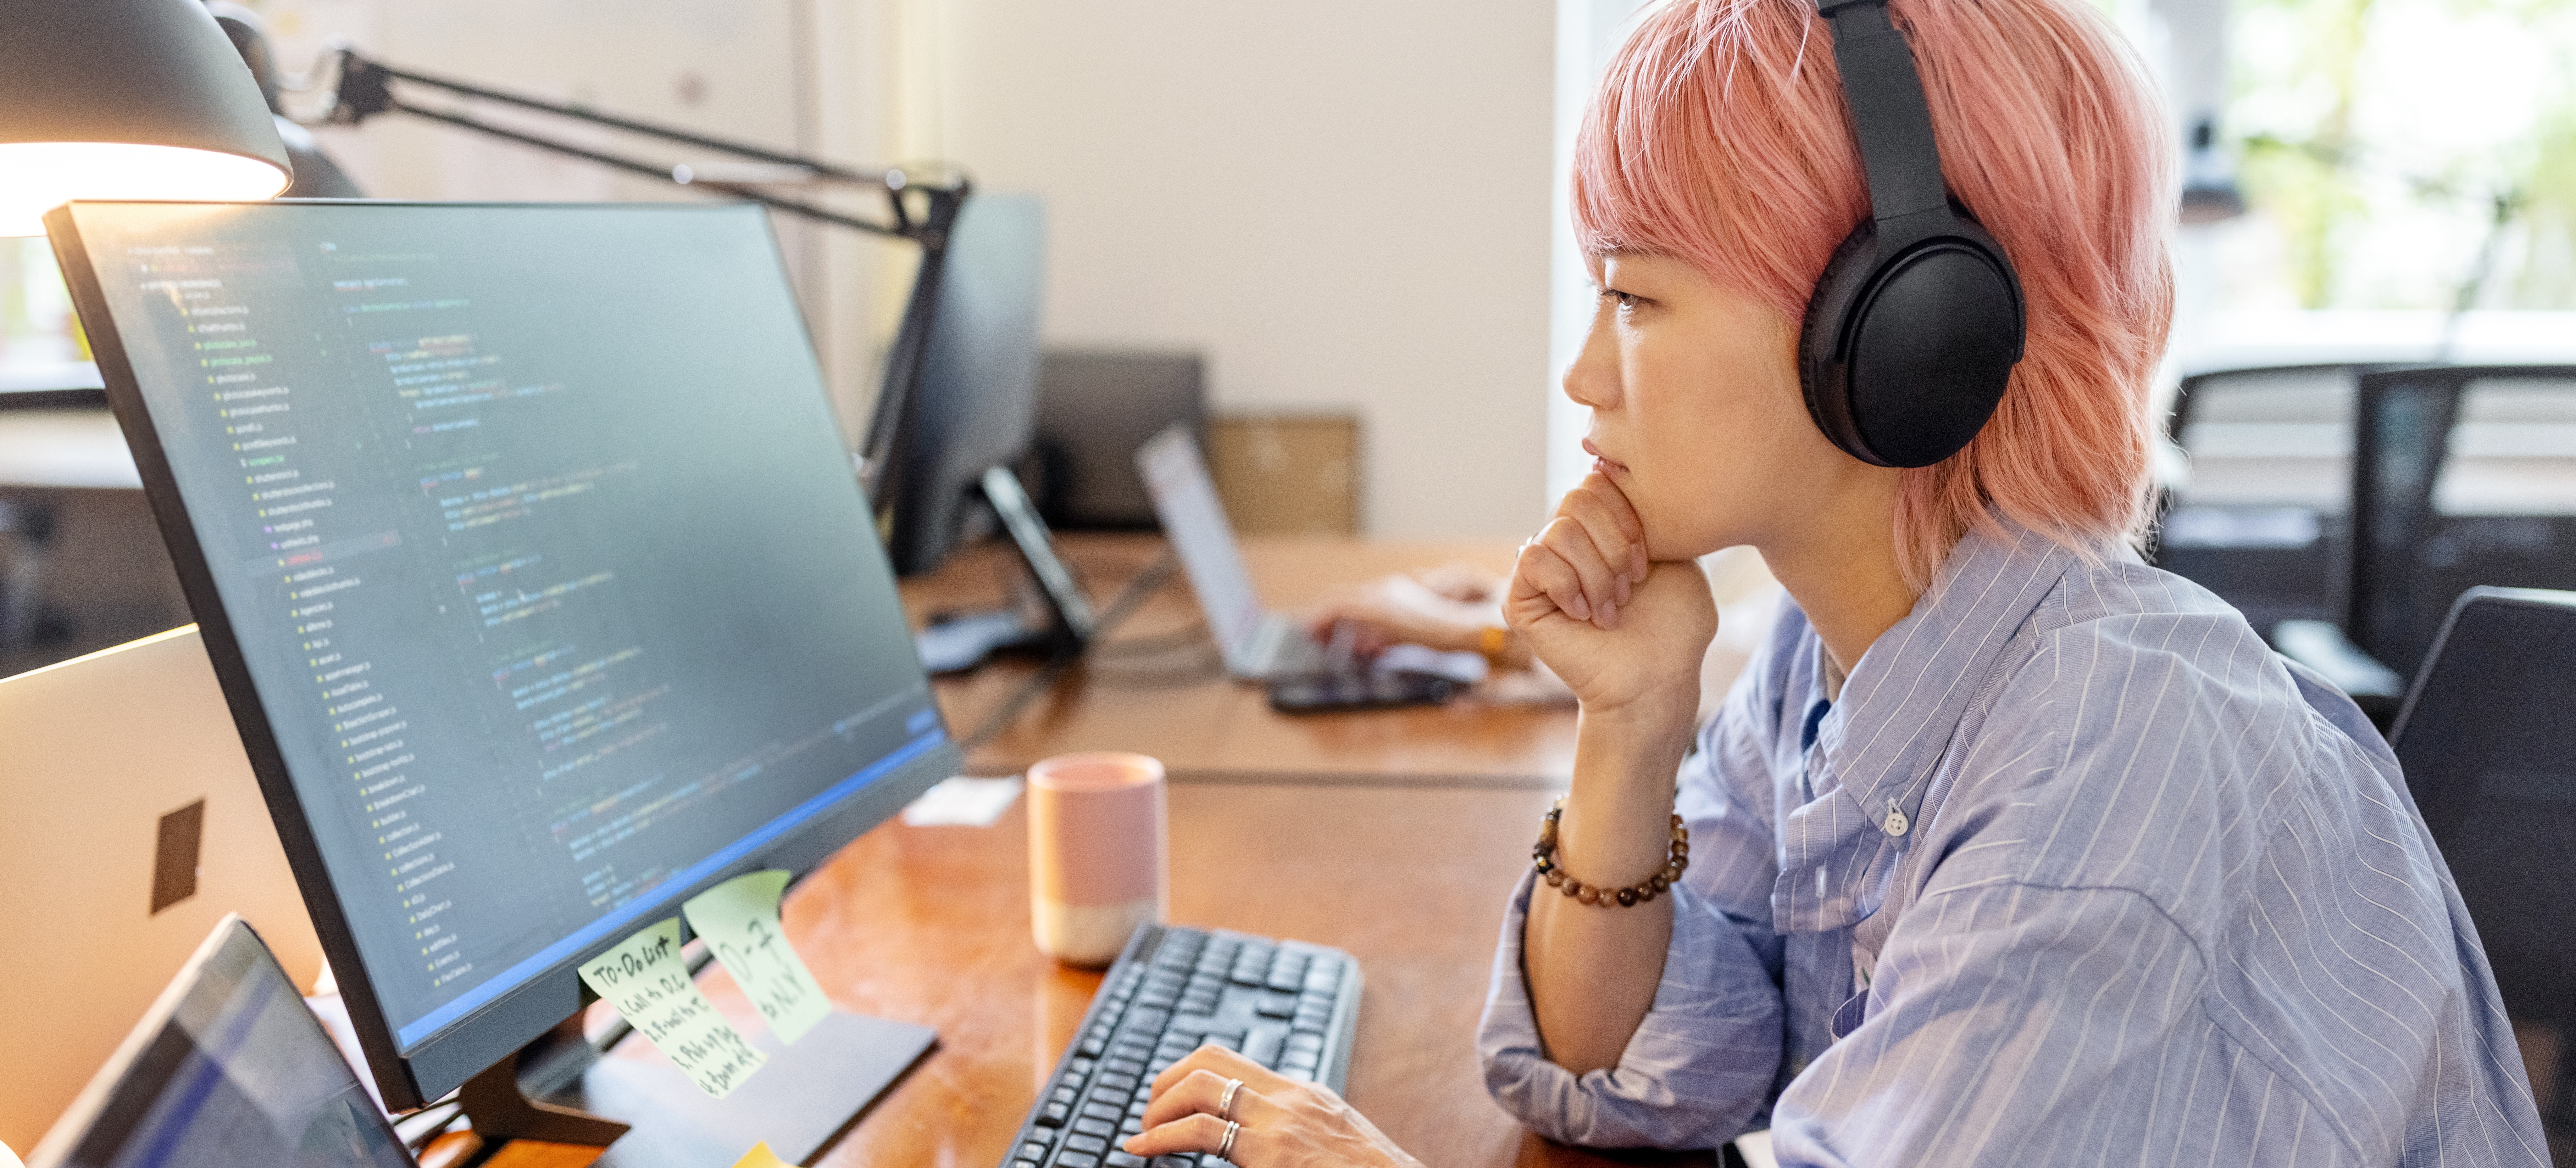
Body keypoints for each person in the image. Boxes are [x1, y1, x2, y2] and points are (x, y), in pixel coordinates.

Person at [1117, 0, 2551, 1162]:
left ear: (1898, 328)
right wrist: (1632, 718)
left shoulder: (2120, 759)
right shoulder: (1836, 653)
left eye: (1635, 297)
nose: (1581, 375)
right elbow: (1629, 1070)